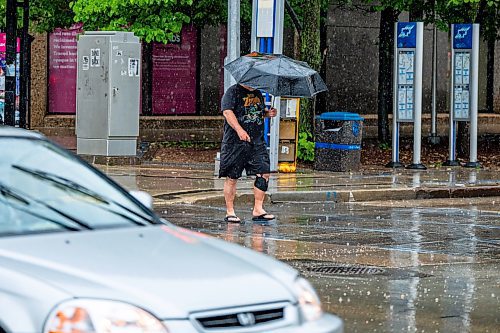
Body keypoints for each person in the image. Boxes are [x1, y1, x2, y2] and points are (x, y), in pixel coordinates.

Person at [219, 83, 277, 223]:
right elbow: (227, 112)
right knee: (232, 176)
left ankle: (258, 209)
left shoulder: (258, 94)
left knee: (263, 171)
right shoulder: (232, 92)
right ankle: (230, 211)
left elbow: (256, 113)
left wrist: (267, 114)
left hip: (256, 141)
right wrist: (239, 130)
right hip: (235, 142)